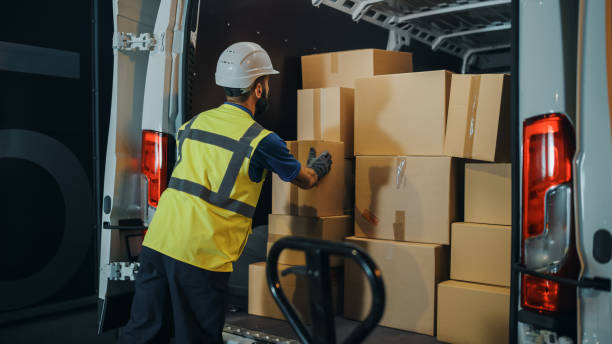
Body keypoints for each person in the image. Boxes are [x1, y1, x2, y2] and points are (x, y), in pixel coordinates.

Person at [118, 42, 332, 344]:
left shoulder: (193, 124)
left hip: (157, 244)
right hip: (201, 257)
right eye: (267, 82)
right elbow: (305, 180)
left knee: (142, 334)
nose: (268, 89)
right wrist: (317, 168)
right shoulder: (262, 140)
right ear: (258, 89)